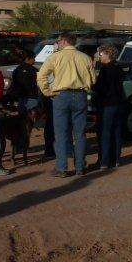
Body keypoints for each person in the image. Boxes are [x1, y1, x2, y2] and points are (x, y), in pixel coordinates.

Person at [37, 32, 95, 177]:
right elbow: (93, 79)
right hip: (81, 95)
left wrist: (47, 91)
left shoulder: (55, 57)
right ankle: (80, 166)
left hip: (61, 96)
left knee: (61, 133)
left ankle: (61, 168)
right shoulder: (86, 58)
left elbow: (41, 75)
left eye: (58, 41)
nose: (57, 44)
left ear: (63, 41)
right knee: (79, 133)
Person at [92, 44, 125, 169]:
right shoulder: (119, 68)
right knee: (116, 131)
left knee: (104, 133)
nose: (99, 56)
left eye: (100, 54)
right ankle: (116, 159)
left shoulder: (105, 69)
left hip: (107, 104)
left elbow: (100, 87)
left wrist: (92, 85)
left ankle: (104, 161)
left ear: (108, 54)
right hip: (118, 103)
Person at [10, 50, 41, 117]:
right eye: (33, 58)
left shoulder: (16, 70)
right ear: (27, 59)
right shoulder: (34, 70)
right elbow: (39, 83)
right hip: (32, 97)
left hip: (21, 97)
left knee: (23, 116)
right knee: (32, 116)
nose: (34, 60)